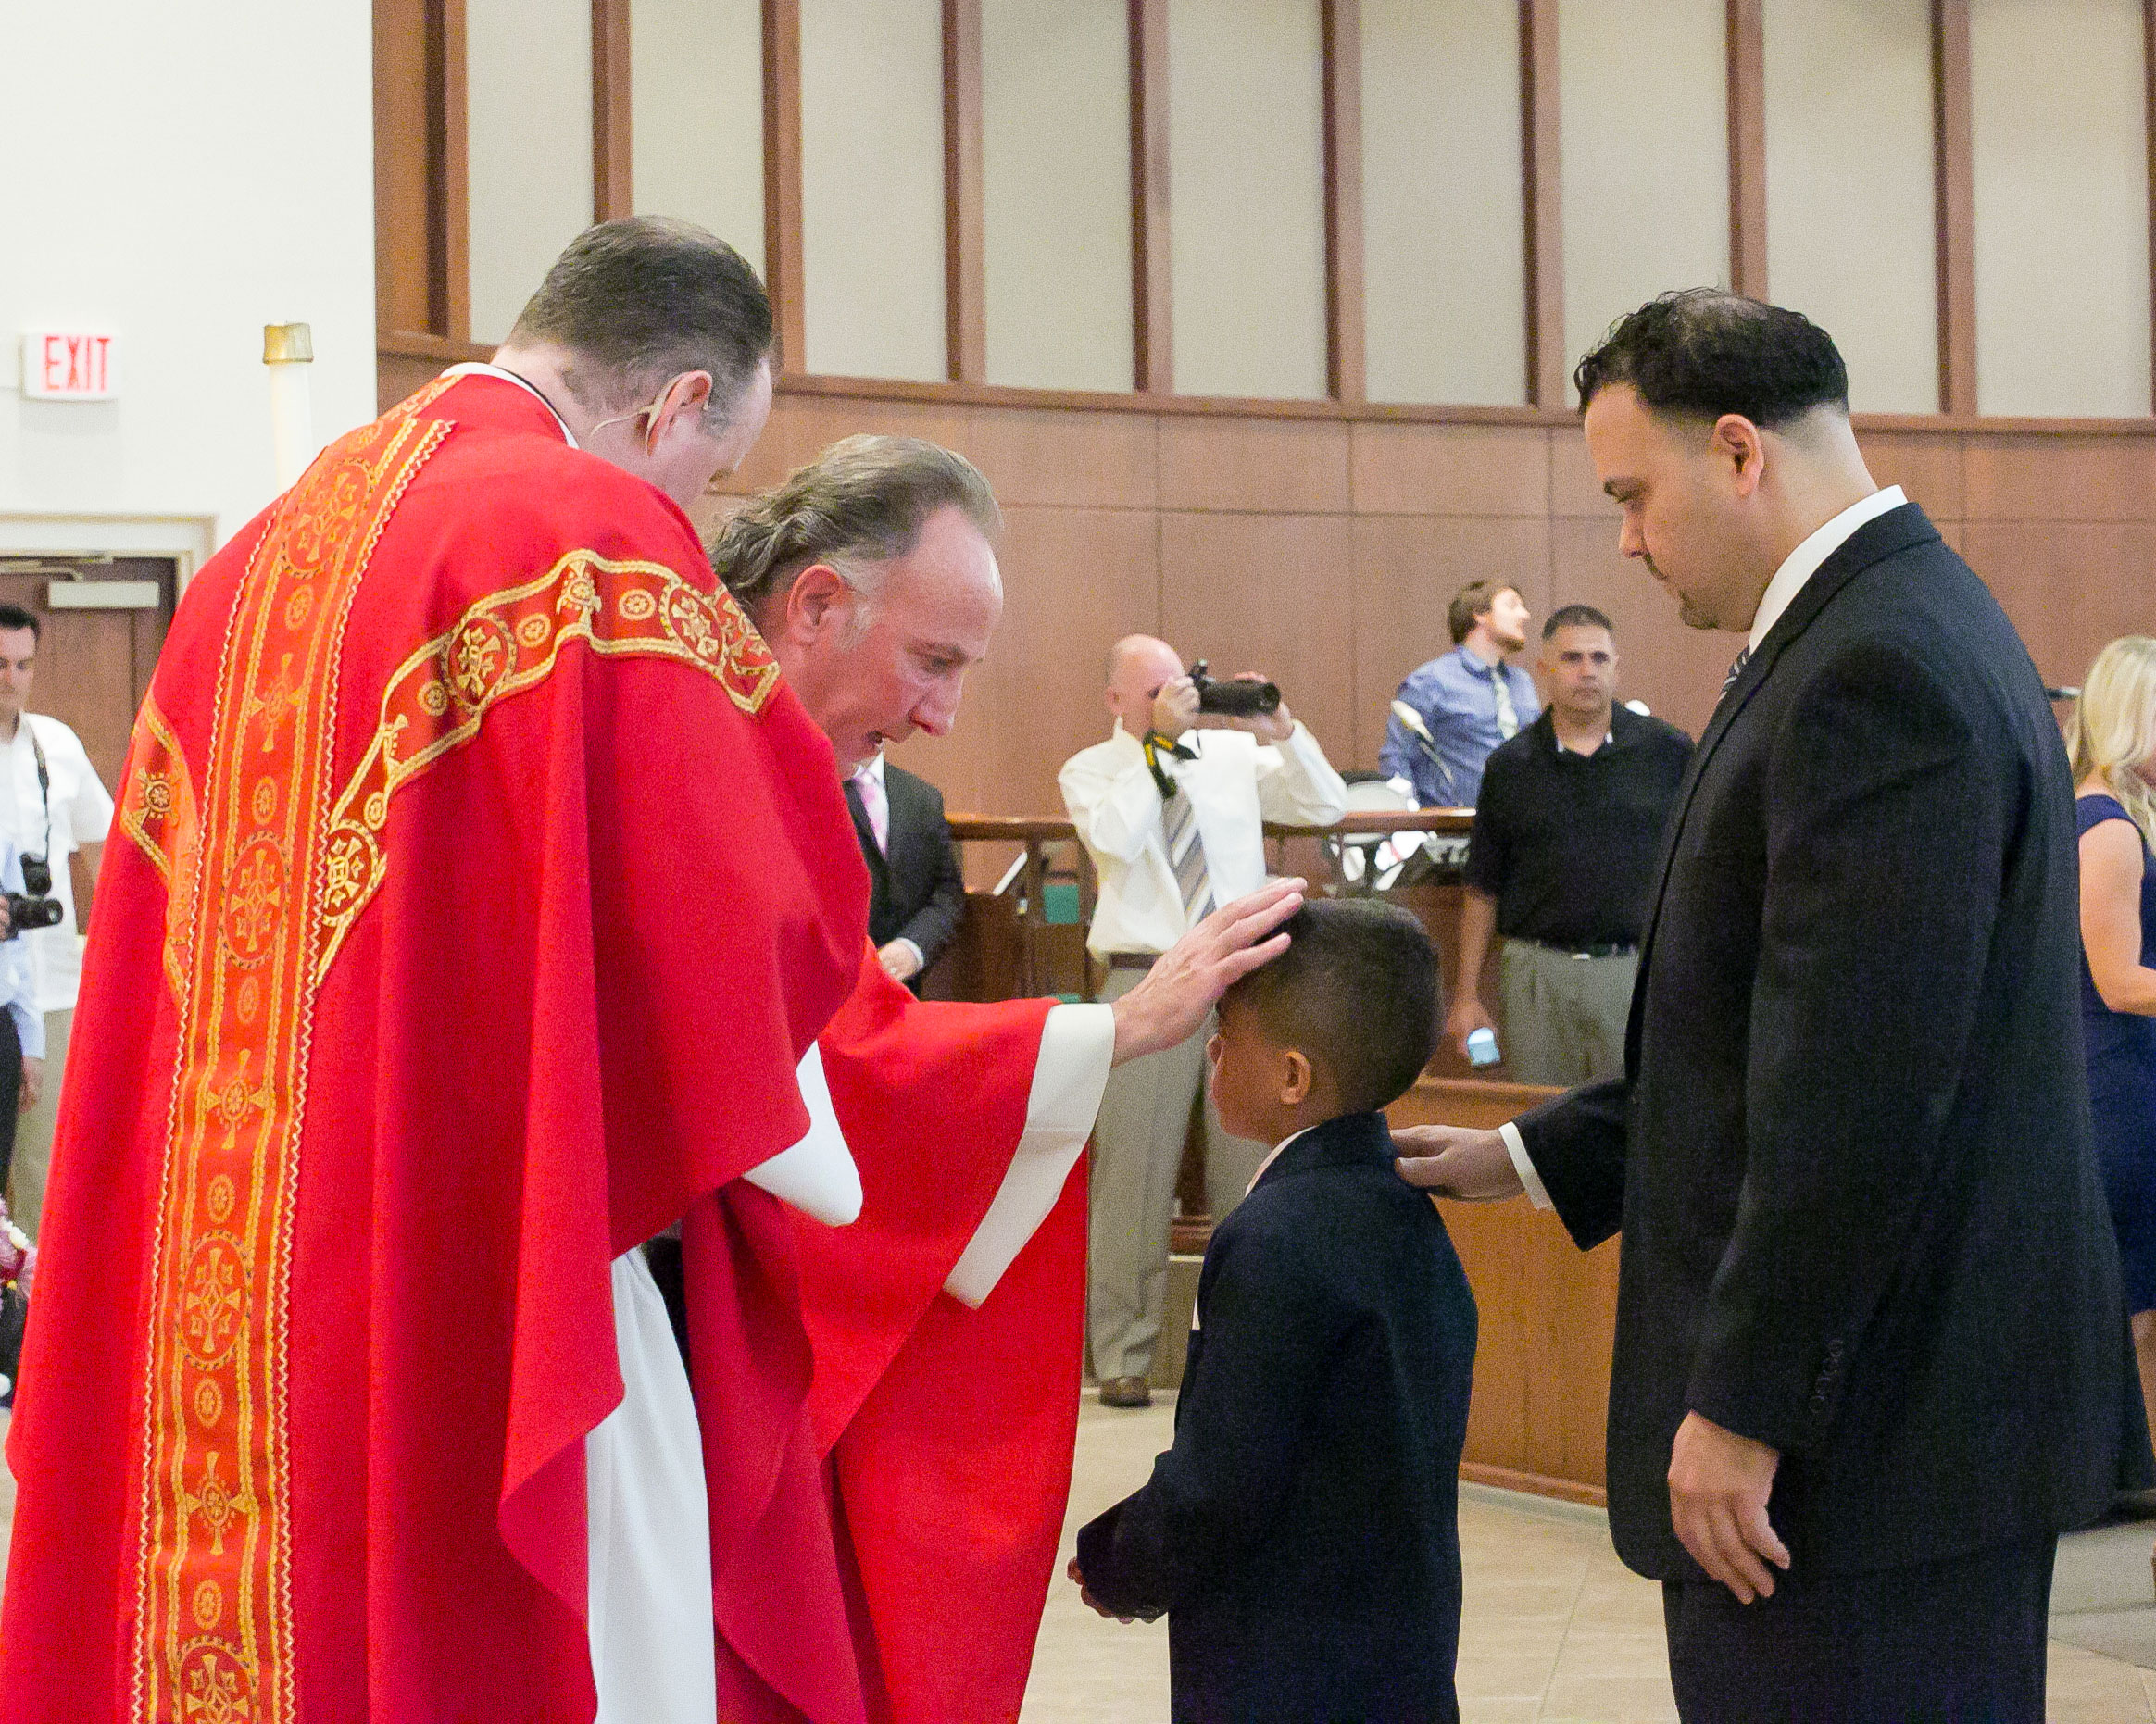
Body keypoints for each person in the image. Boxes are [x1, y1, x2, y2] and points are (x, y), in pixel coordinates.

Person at [1396, 289, 2147, 1722]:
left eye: (1632, 492)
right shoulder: (1887, 625)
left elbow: (1860, 1086)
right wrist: (1537, 1150)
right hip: (1894, 1416)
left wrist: (1747, 1404)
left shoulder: (1878, 666)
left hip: (1866, 1440)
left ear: (1738, 451)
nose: (1623, 537)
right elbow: (1775, 1019)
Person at [711, 435, 1304, 1724]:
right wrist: (1116, 1025)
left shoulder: (760, 753)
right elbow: (833, 1062)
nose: (944, 716)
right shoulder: (703, 748)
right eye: (934, 661)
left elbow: (834, 1037)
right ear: (814, 604)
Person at [1069, 898, 1475, 1723]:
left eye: (1226, 1034)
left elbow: (1221, 1481)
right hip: (1401, 1650)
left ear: (1292, 1076)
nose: (1209, 1050)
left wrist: (1120, 1562)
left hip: (1287, 1670)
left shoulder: (1273, 1236)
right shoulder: (1406, 1206)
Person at [1060, 634, 1348, 1407]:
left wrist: (1280, 728)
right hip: (1145, 977)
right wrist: (1156, 743)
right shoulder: (1093, 769)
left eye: (1179, 684)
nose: (1173, 697)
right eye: (1151, 688)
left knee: (1247, 1174)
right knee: (1132, 1176)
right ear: (1117, 699)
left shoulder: (1225, 759)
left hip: (1241, 981)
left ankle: (1238, 1349)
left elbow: (1325, 804)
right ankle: (1122, 1355)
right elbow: (1115, 841)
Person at [1446, 604, 1691, 1084]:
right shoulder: (1510, 766)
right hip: (1535, 974)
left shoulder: (1669, 752)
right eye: (1572, 658)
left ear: (1617, 666)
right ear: (1545, 669)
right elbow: (1482, 889)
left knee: (1634, 1123)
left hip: (1634, 972)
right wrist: (1467, 994)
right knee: (1540, 1125)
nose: (1587, 671)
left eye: (1599, 659)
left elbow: (1697, 867)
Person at [2067, 638, 2156, 1468]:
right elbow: (2120, 979)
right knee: (2125, 1312)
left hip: (2135, 1078)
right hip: (2122, 1087)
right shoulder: (2108, 829)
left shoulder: (2119, 817)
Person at [0, 606, 113, 1242]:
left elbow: (107, 857)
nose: (11, 679)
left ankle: (33, 1335)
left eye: (23, 665)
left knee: (46, 1177)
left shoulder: (57, 744)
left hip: (56, 995)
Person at [1380, 578, 1539, 807]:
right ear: (1479, 614)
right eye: (1512, 605)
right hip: (1455, 831)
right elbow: (1397, 755)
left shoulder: (1522, 682)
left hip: (1524, 829)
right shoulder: (1432, 679)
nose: (1524, 615)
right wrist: (1407, 824)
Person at [846, 748, 966, 990]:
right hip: (828, 997)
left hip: (903, 995)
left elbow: (946, 893)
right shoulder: (804, 787)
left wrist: (911, 947)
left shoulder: (923, 798)